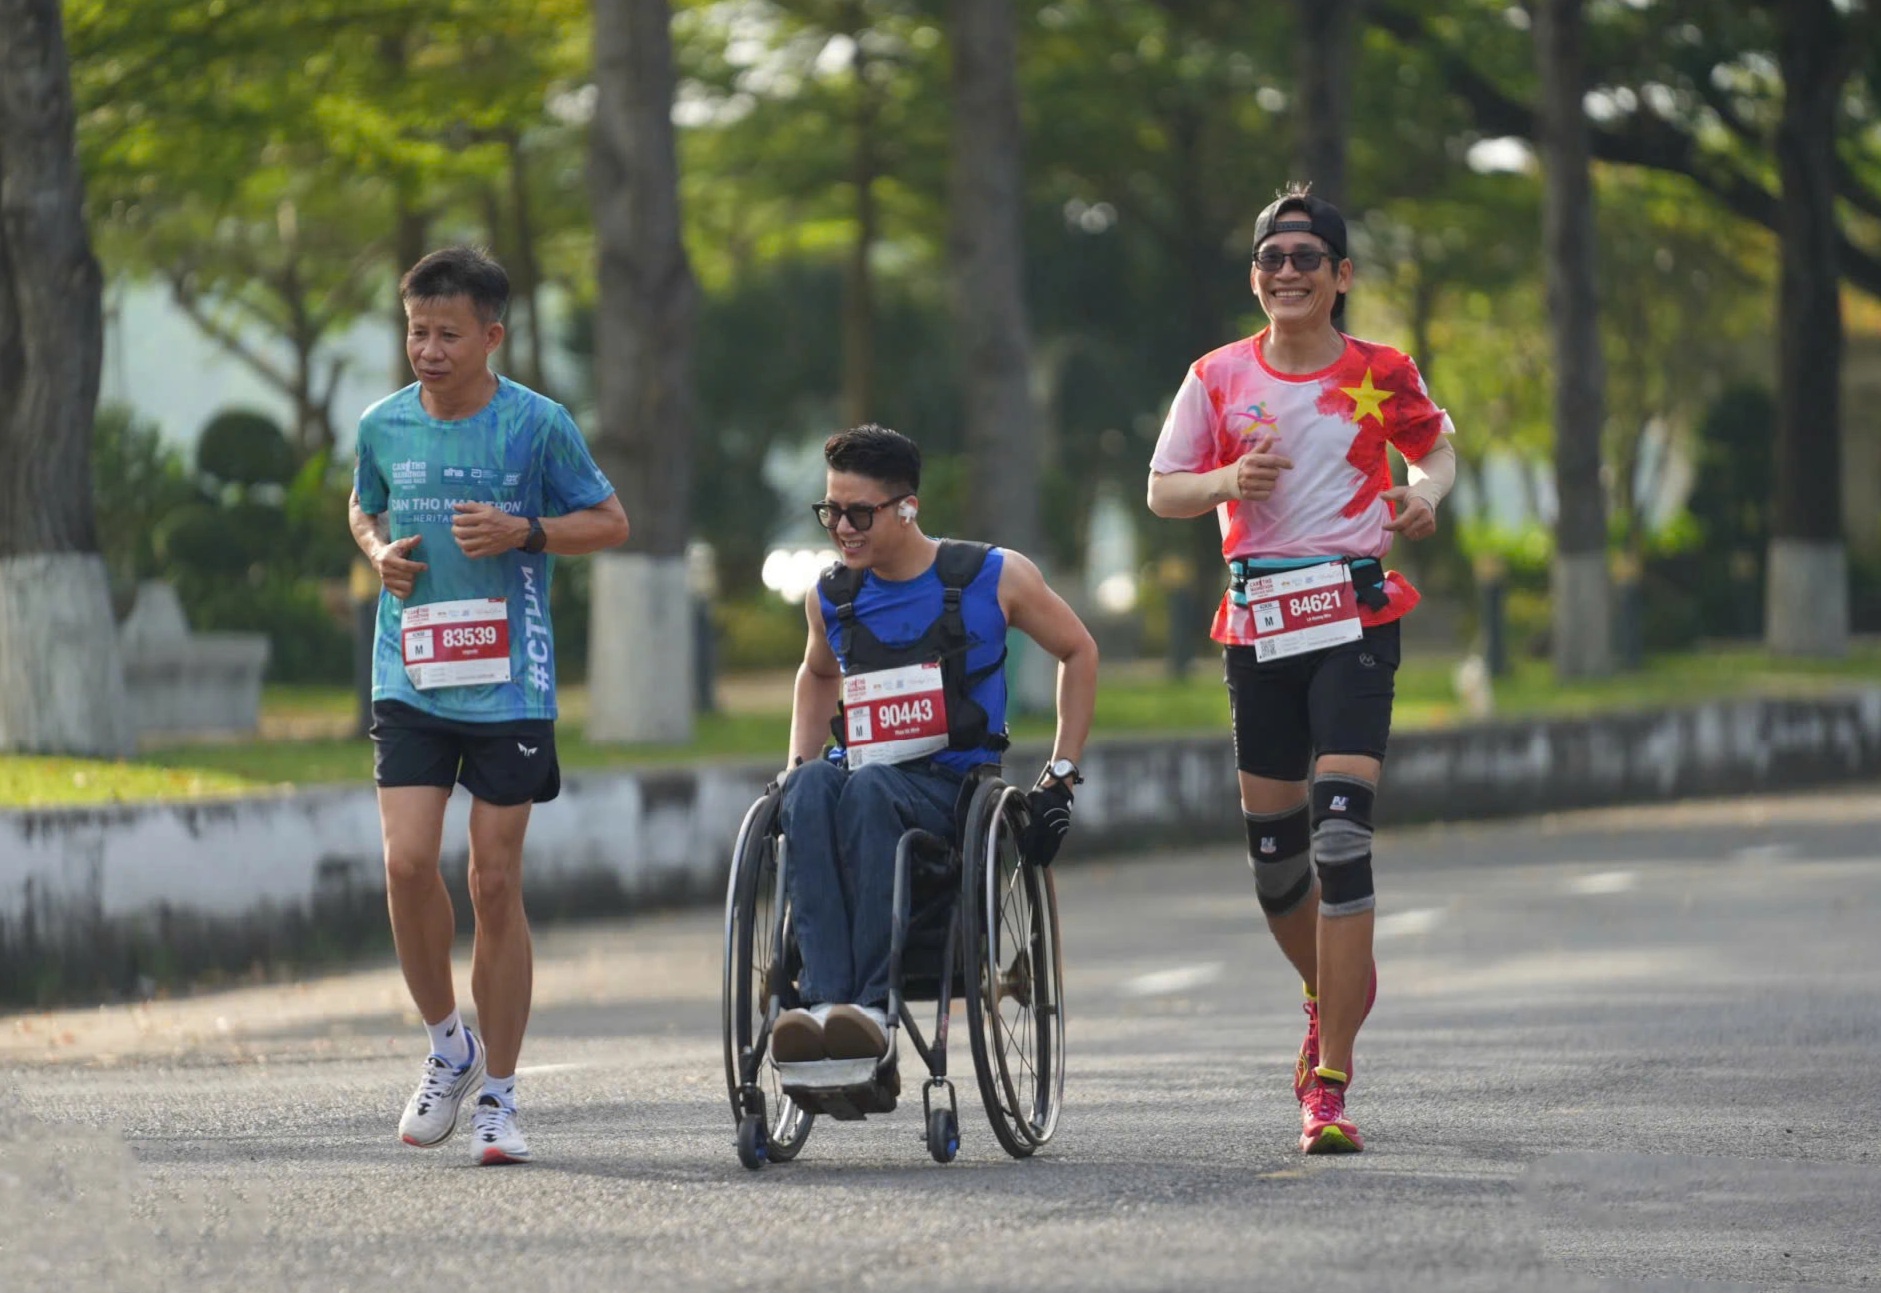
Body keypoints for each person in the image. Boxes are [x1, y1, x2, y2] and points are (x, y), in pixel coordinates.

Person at [1145, 186, 1456, 1154]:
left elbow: (1436, 449)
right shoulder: (1216, 376)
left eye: (1306, 259)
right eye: (1271, 259)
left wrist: (1422, 495)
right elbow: (1162, 492)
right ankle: (1329, 989)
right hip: (1257, 625)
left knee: (1338, 836)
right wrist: (1226, 483)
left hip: (1353, 613)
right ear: (1255, 276)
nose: (1287, 273)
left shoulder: (1379, 369)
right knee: (1277, 868)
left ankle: (1329, 1082)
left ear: (1340, 277)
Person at [349, 246, 630, 1165]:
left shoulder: (537, 426)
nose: (427, 349)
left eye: (446, 333)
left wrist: (528, 530)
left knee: (494, 881)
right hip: (413, 675)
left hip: (510, 679)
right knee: (404, 863)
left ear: (491, 336)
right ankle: (447, 1046)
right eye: (416, 331)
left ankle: (502, 1097)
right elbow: (365, 507)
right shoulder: (382, 425)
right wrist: (375, 551)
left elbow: (612, 522)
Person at [770, 424, 1098, 1067]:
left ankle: (866, 1010)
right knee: (805, 787)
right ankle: (820, 1006)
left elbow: (1078, 649)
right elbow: (816, 674)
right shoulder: (832, 596)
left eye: (859, 512)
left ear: (907, 508)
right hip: (863, 770)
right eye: (831, 511)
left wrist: (1061, 775)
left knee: (866, 789)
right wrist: (795, 765)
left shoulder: (993, 576)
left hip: (950, 789)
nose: (842, 527)